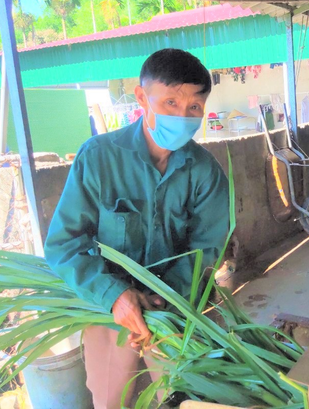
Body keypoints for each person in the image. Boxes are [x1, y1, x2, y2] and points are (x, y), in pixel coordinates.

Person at [44, 48, 230, 408]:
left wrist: (162, 301)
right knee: (112, 399)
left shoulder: (205, 172)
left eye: (194, 107)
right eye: (171, 102)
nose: (182, 115)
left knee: (186, 396)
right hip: (106, 307)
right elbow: (64, 243)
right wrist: (114, 295)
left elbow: (208, 248)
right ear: (142, 97)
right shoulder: (98, 157)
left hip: (179, 307)